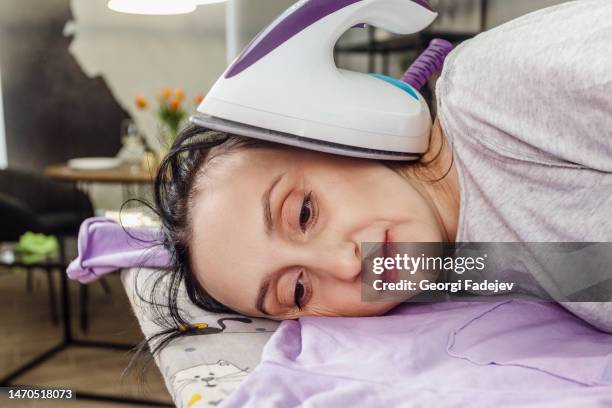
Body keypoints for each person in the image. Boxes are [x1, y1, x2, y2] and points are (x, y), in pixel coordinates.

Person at [151, 0, 611, 328]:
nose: (345, 266)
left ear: (333, 131)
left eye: (304, 213)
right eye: (297, 291)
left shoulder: (491, 95)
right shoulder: (467, 266)